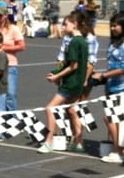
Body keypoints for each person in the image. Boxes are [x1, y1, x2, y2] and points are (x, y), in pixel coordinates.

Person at [90, 12, 124, 164]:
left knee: (111, 117)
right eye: (112, 25)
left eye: (116, 25)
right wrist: (105, 80)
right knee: (113, 117)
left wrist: (103, 76)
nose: (112, 28)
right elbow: (112, 64)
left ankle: (118, 151)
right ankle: (118, 147)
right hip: (112, 84)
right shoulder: (115, 42)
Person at [38, 13, 89, 153]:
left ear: (75, 24)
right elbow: (70, 63)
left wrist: (57, 77)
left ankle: (49, 141)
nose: (63, 27)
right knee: (71, 109)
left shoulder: (74, 42)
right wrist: (56, 72)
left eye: (65, 24)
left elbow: (73, 65)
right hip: (78, 83)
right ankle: (78, 142)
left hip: (71, 83)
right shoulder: (83, 41)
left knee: (50, 108)